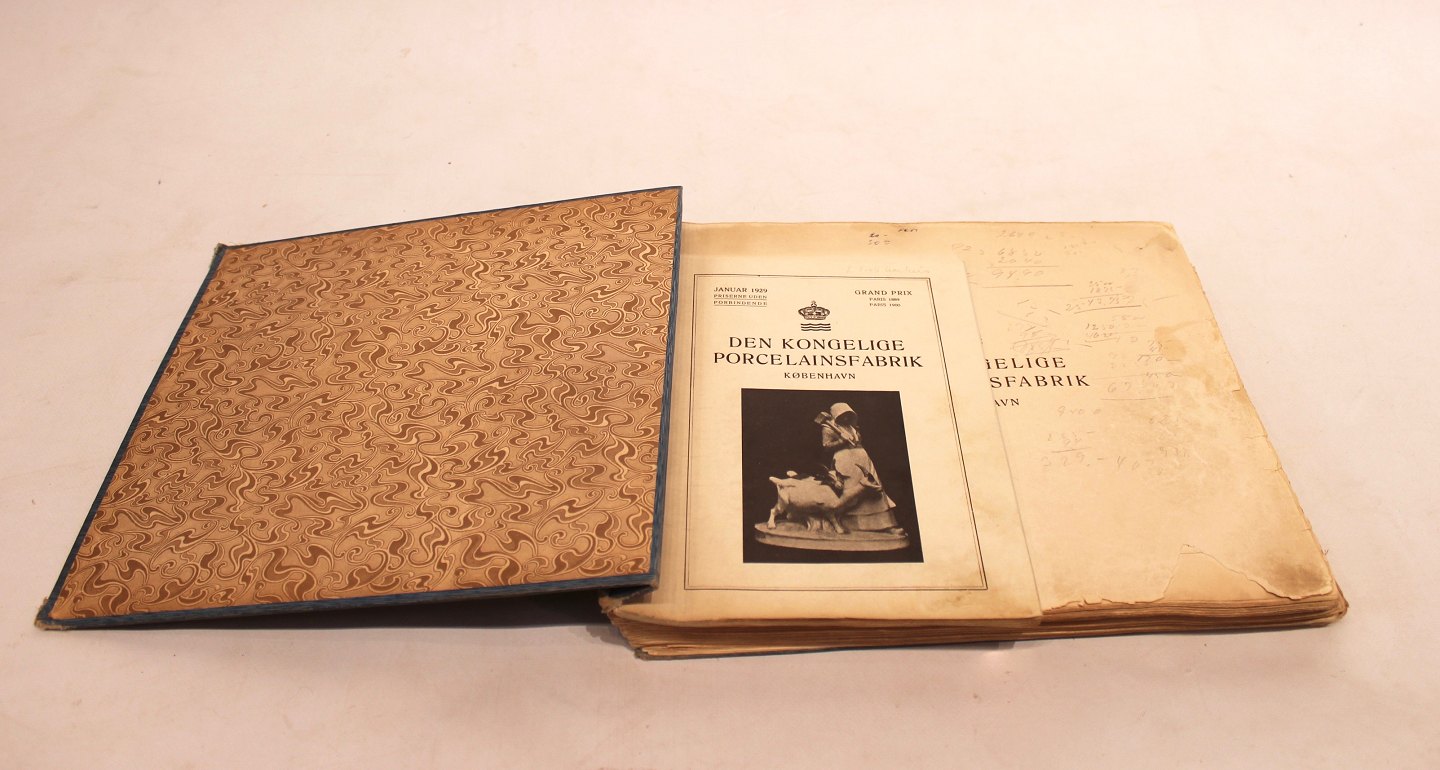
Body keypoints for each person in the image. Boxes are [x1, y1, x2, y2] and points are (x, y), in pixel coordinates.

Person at [815, 403, 900, 533]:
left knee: (874, 488)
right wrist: (841, 441)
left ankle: (885, 524)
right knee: (852, 491)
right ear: (836, 415)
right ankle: (846, 523)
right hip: (845, 461)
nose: (845, 418)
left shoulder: (852, 427)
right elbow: (826, 446)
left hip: (863, 459)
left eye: (848, 415)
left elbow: (857, 442)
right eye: (842, 415)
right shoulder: (828, 428)